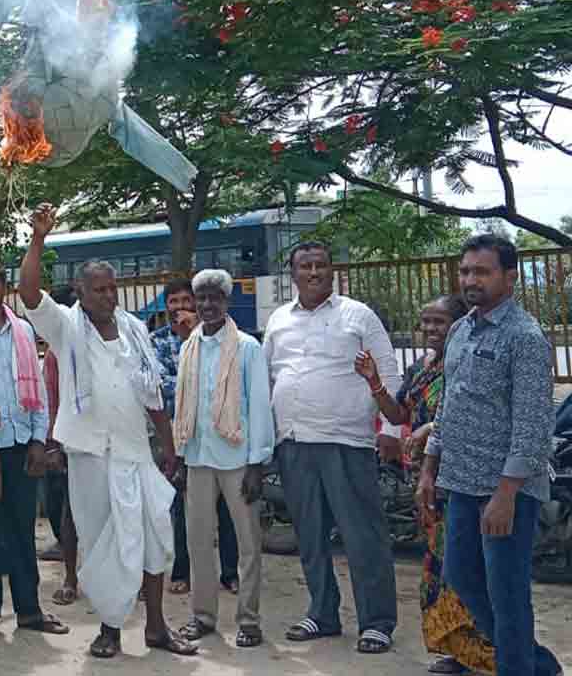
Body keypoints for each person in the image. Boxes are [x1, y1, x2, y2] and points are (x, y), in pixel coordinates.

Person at [19, 204, 196, 660]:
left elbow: (152, 393)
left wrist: (169, 448)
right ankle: (109, 630)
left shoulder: (135, 329)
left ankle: (156, 627)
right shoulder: (66, 327)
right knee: (103, 545)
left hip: (136, 453)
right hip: (91, 456)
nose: (107, 296)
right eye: (98, 289)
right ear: (80, 292)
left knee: (155, 537)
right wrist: (38, 239)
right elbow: (29, 292)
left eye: (112, 288)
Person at [418, 234, 562, 676]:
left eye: (481, 272)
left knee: (507, 595)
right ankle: (537, 666)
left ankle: (521, 668)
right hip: (461, 483)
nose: (470, 280)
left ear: (510, 278)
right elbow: (448, 406)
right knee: (461, 578)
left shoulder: (525, 337)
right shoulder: (460, 330)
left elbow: (533, 425)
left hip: (506, 492)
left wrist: (506, 494)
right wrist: (429, 467)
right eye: (465, 271)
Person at [263, 241, 400, 654]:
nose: (314, 272)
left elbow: (388, 370)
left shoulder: (357, 315)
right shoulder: (278, 319)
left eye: (321, 265)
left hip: (346, 441)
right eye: (305, 266)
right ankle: (322, 613)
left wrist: (392, 429)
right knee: (310, 535)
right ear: (293, 274)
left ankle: (377, 621)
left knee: (362, 536)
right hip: (293, 443)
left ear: (332, 270)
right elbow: (268, 378)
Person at [356, 295, 489, 674]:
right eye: (425, 322)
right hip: (425, 481)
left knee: (464, 565)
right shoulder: (421, 369)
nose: (430, 329)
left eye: (439, 322)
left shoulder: (468, 363)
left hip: (461, 477)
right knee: (438, 565)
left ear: (458, 324)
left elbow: (468, 413)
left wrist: (430, 427)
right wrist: (375, 382)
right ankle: (459, 651)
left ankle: (484, 651)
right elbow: (399, 414)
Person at [0, 260, 66, 643]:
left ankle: (29, 610)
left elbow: (38, 391)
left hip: (19, 445)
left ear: (5, 288)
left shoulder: (23, 329)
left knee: (22, 530)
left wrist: (38, 439)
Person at [171, 270, 274, 648]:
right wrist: (181, 458)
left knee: (248, 543)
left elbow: (259, 406)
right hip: (197, 456)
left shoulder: (247, 347)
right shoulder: (189, 346)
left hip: (238, 459)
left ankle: (249, 620)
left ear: (226, 302)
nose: (207, 305)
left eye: (215, 297)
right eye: (201, 298)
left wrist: (257, 464)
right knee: (197, 540)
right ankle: (202, 616)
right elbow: (183, 405)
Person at [150, 277, 239, 597]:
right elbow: (163, 388)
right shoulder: (157, 340)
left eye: (186, 300)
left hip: (219, 433)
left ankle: (230, 573)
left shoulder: (220, 338)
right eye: (173, 301)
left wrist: (193, 339)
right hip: (179, 435)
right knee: (180, 506)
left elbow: (225, 383)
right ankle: (181, 571)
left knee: (226, 508)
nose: (180, 307)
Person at [41, 285, 80, 608]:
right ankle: (71, 578)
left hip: (106, 441)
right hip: (70, 442)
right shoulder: (57, 352)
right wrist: (53, 444)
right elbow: (51, 398)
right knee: (69, 512)